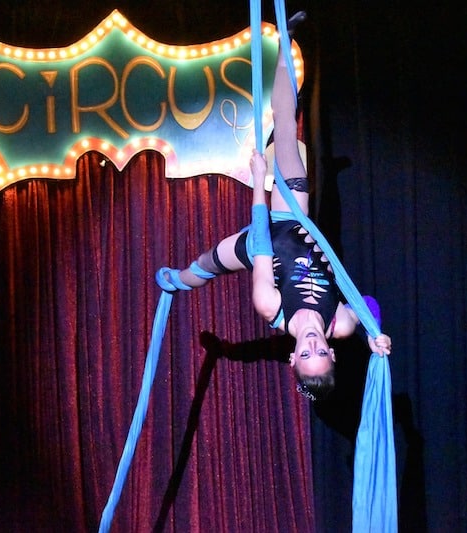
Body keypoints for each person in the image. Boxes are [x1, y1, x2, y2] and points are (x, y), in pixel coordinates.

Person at [157, 13, 391, 401]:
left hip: (263, 235)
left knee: (205, 265)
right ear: (332, 353)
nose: (313, 344)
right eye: (321, 352)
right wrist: (373, 330)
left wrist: (259, 182)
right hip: (295, 219)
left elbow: (262, 241)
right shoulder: (341, 326)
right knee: (286, 126)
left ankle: (175, 281)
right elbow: (368, 303)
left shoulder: (271, 306)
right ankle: (287, 38)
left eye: (305, 353)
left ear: (292, 357)